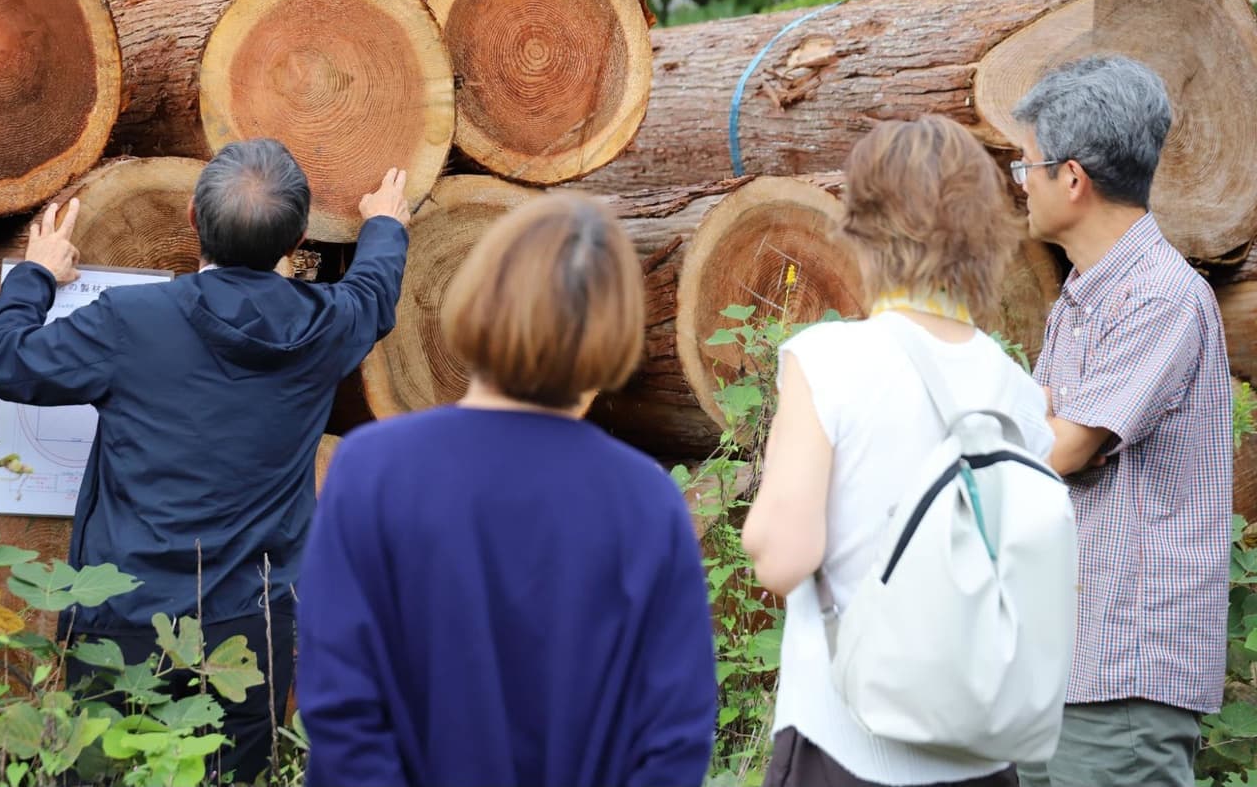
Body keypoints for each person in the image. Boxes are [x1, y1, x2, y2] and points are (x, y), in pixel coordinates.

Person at [0, 139, 411, 784]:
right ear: (296, 243)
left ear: (191, 220)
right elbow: (374, 293)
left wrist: (37, 274)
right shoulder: (327, 326)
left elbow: (0, 359)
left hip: (121, 616)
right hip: (249, 627)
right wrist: (384, 226)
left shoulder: (128, 321)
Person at [295, 193, 717, 787]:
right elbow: (674, 733)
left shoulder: (376, 468)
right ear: (614, 335)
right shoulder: (645, 500)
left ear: (479, 297)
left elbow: (341, 702)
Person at [742, 115, 1053, 787]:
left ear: (861, 224)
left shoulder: (828, 359)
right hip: (983, 757)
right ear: (986, 232)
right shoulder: (1019, 394)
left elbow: (781, 557)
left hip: (845, 747)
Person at [1009, 56, 1231, 787]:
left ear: (1072, 178)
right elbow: (1037, 429)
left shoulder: (1160, 295)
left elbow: (1059, 446)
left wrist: (1055, 431)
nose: (1021, 185)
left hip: (1124, 674)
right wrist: (1046, 426)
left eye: (1026, 166)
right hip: (1064, 666)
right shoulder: (1081, 296)